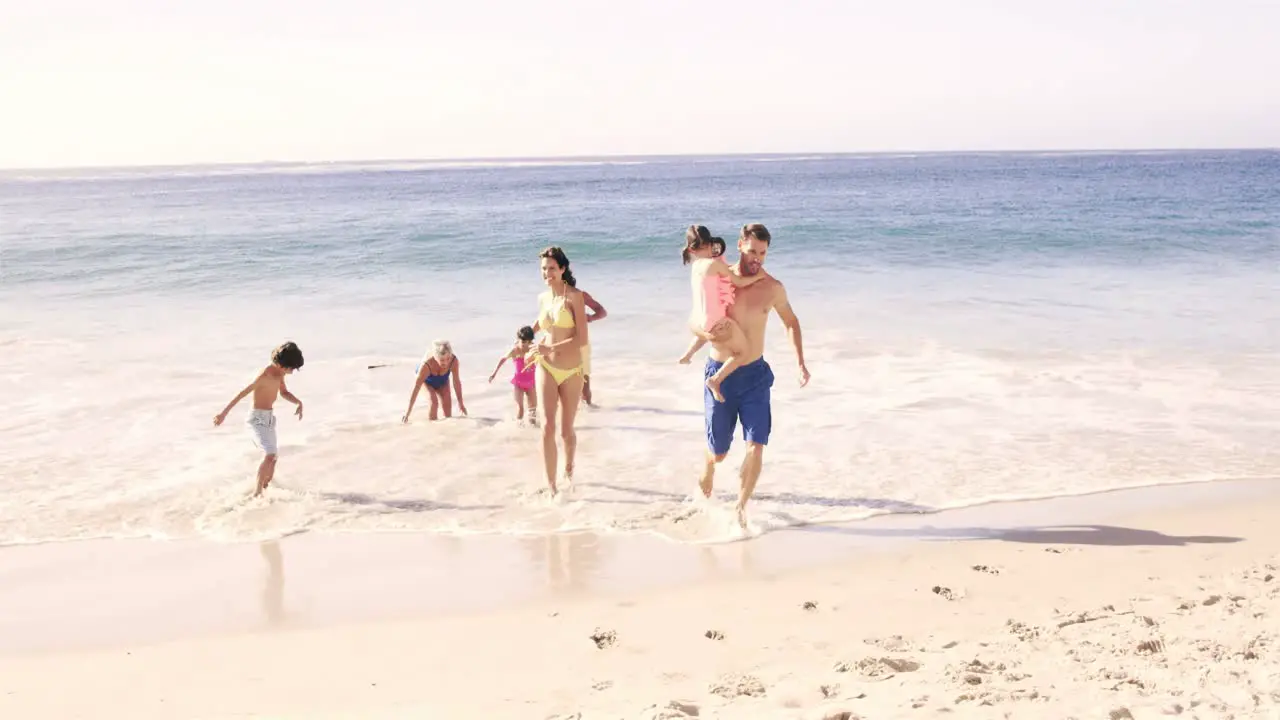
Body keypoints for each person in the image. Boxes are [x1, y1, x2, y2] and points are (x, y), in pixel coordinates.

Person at [696, 223, 810, 529]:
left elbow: (791, 322)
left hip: (755, 376)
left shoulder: (772, 288)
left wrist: (799, 362)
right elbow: (696, 320)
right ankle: (709, 466)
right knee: (719, 453)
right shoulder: (720, 279)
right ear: (739, 246)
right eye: (752, 251)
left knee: (756, 444)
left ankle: (740, 508)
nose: (757, 258)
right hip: (719, 373)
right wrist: (703, 334)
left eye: (763, 253)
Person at [679, 224, 766, 402]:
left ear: (691, 249)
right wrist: (759, 277)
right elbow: (739, 282)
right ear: (710, 244)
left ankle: (687, 355)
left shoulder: (696, 267)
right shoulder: (713, 264)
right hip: (716, 323)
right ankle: (715, 380)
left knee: (704, 335)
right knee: (743, 352)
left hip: (697, 321)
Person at [529, 246, 589, 495]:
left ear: (563, 269)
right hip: (545, 367)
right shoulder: (543, 298)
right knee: (547, 427)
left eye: (552, 268)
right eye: (544, 268)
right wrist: (524, 337)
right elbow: (540, 324)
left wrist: (550, 346)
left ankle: (569, 470)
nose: (547, 273)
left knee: (566, 430)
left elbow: (581, 339)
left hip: (571, 370)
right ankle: (551, 486)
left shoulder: (575, 297)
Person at [212, 341, 305, 497]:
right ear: (283, 365)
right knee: (269, 455)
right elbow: (242, 394)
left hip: (269, 420)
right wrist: (223, 414)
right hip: (256, 420)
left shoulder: (280, 374)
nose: (293, 371)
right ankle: (257, 494)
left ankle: (265, 488)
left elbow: (283, 392)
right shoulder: (265, 375)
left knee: (273, 458)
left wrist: (298, 402)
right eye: (292, 368)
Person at [402, 340, 468, 423]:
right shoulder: (427, 365)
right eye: (442, 360)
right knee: (434, 402)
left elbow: (456, 382)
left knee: (447, 409)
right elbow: (416, 388)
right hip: (426, 382)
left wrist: (461, 403)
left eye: (448, 358)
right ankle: (432, 427)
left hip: (442, 381)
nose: (446, 362)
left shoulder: (453, 361)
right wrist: (407, 413)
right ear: (435, 357)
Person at [488, 325, 538, 425]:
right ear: (518, 340)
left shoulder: (533, 350)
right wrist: (494, 374)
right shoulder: (515, 351)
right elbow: (502, 359)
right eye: (523, 342)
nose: (526, 345)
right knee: (520, 408)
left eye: (529, 342)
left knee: (532, 410)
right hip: (518, 384)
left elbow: (543, 361)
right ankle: (518, 429)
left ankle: (533, 431)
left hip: (531, 384)